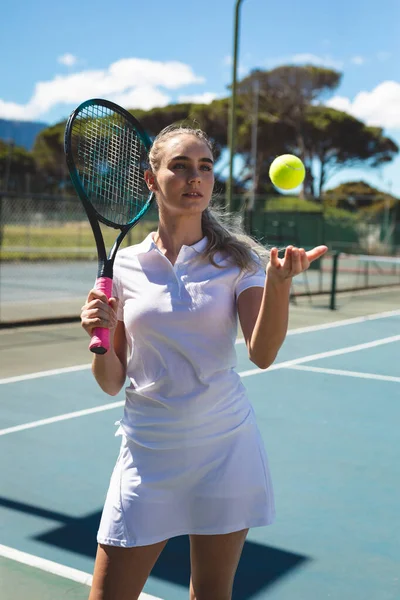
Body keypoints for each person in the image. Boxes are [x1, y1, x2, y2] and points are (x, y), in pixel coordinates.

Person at [80, 124, 328, 600]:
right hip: (147, 453)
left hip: (225, 449)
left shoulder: (239, 263)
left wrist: (279, 286)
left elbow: (263, 353)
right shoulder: (124, 268)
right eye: (181, 166)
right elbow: (111, 381)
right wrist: (101, 332)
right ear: (151, 180)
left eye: (205, 168)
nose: (195, 178)